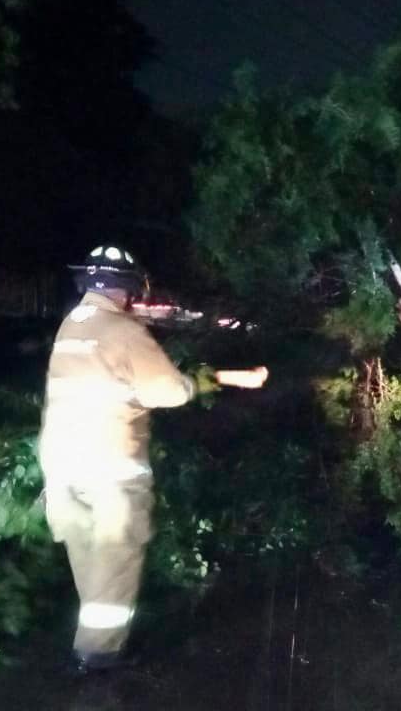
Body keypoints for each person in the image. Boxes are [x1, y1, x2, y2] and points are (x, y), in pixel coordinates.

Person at [38, 245, 267, 672]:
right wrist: (198, 381)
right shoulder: (122, 330)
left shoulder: (73, 324)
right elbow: (170, 392)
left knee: (90, 561)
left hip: (62, 467)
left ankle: (92, 641)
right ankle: (98, 656)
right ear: (128, 287)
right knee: (115, 563)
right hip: (110, 470)